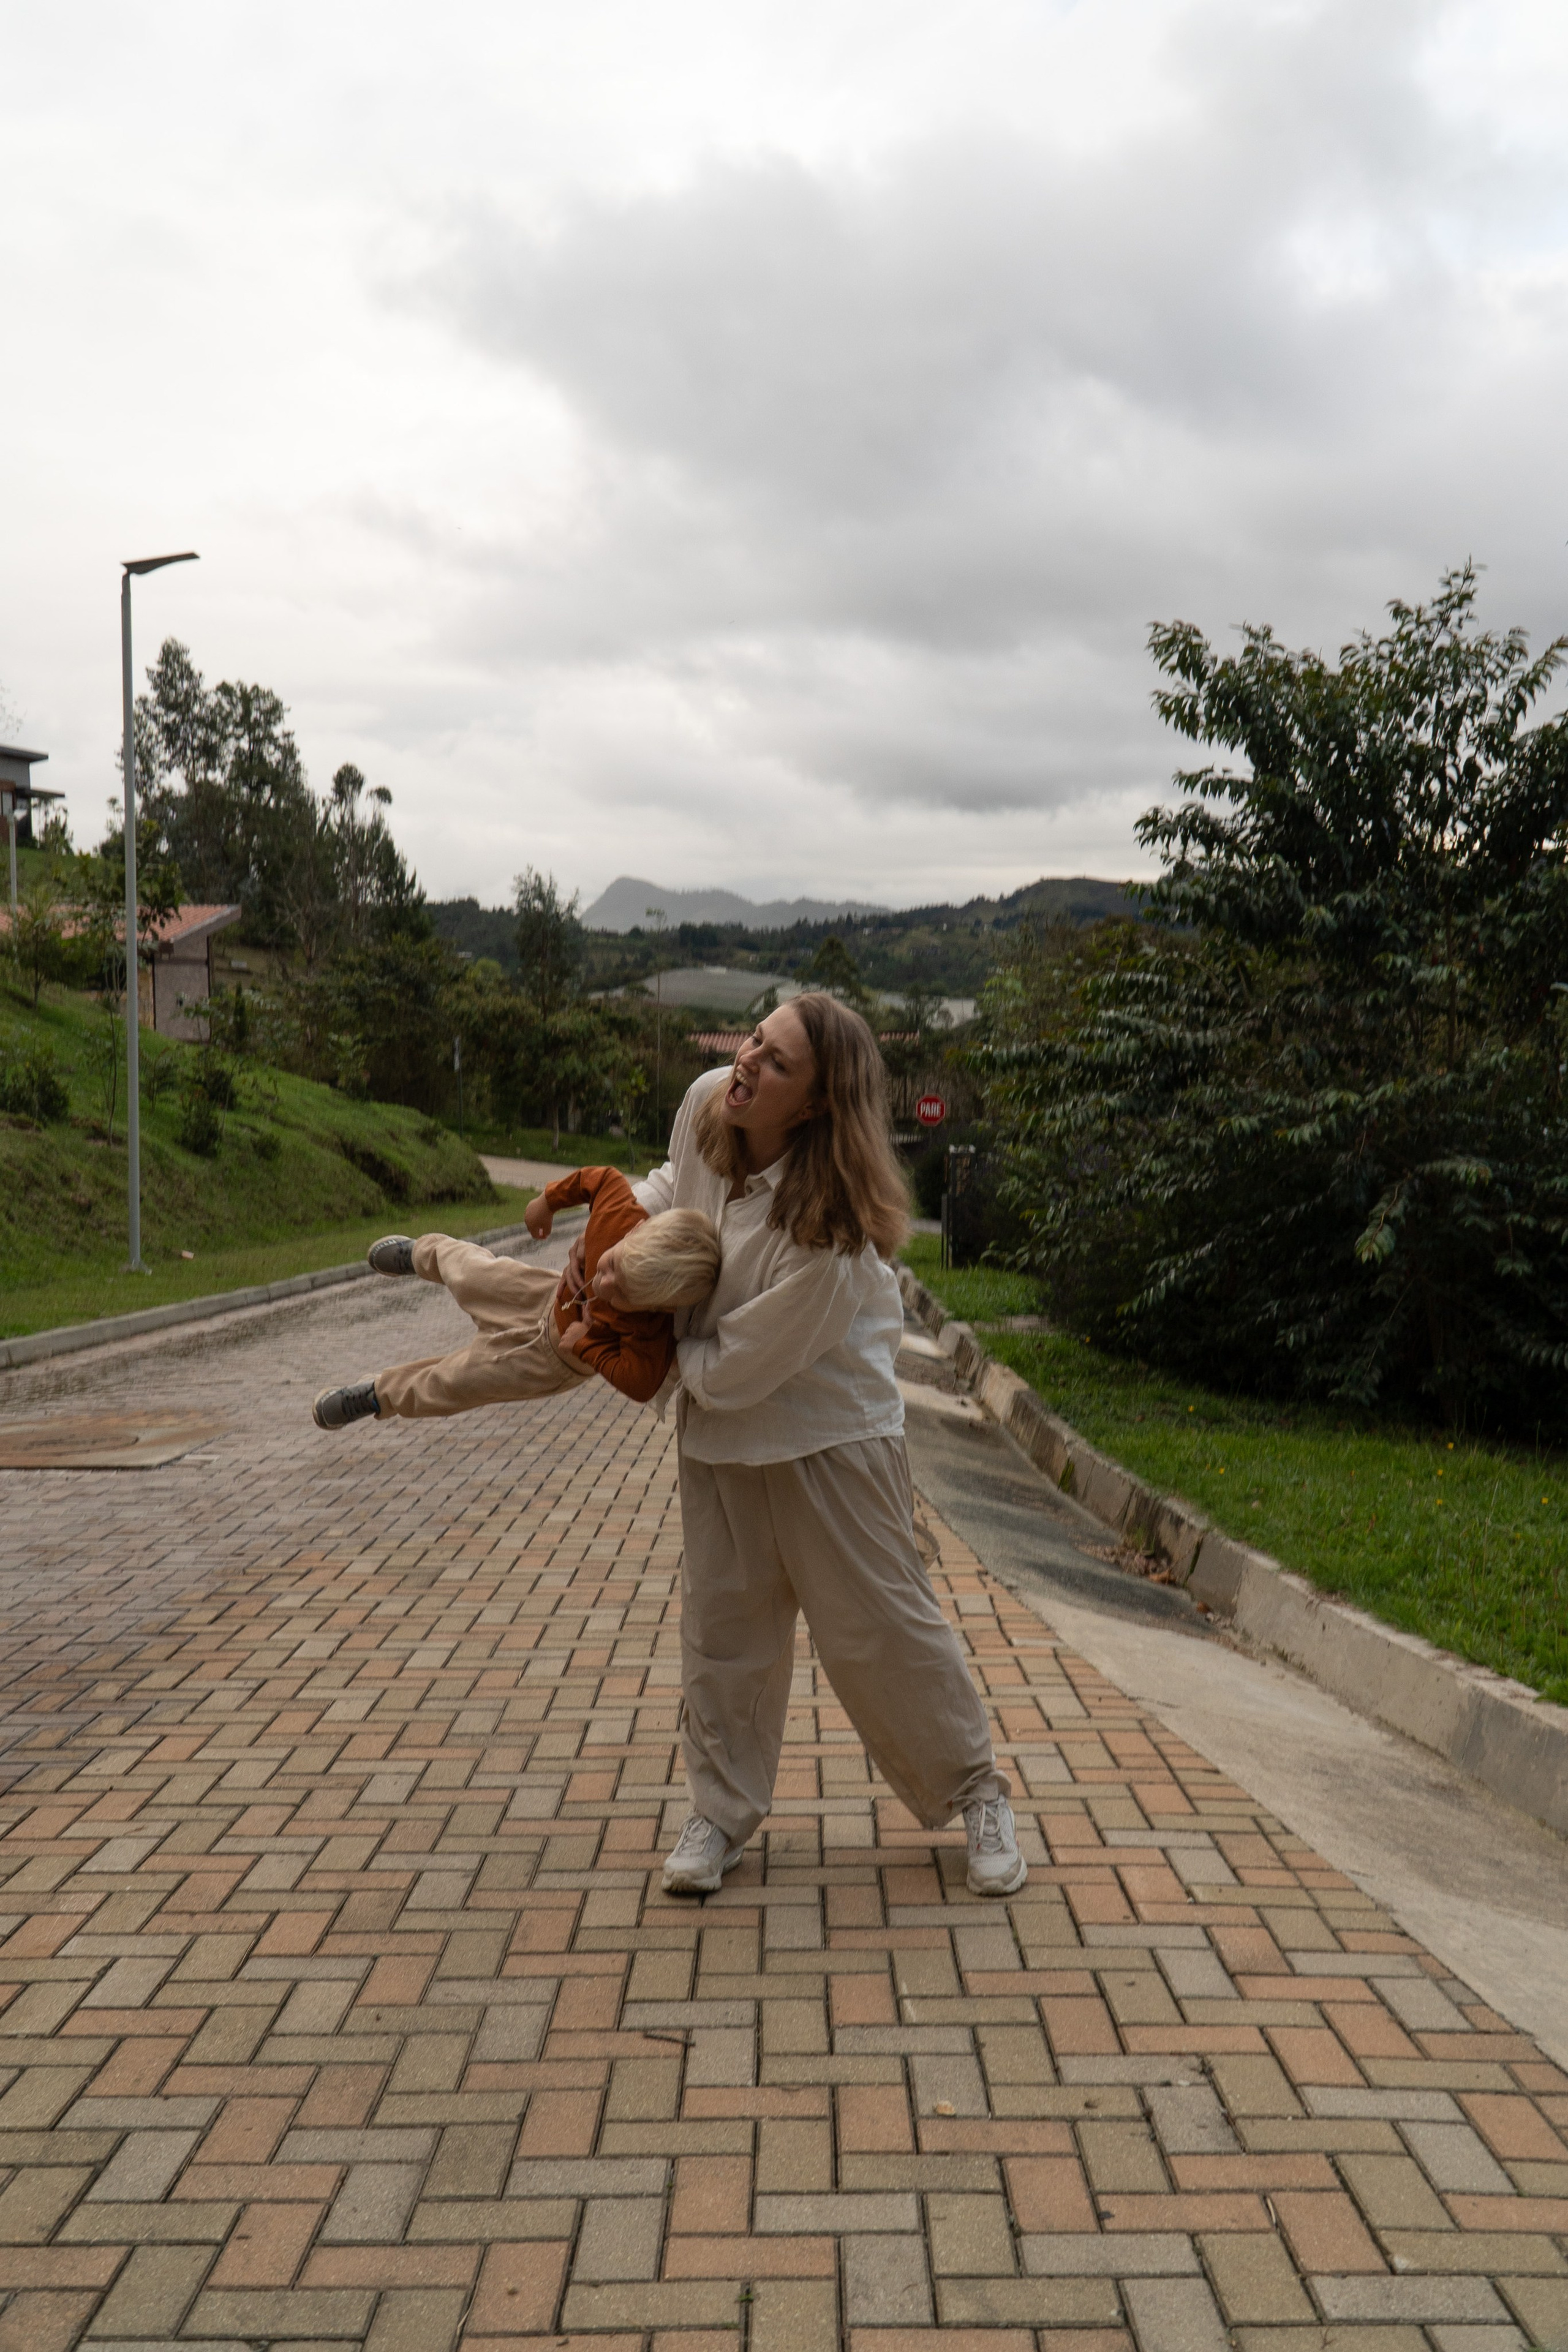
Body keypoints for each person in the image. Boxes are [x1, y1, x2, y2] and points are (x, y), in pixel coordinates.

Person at [575, 995, 1025, 1899]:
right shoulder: (711, 1102)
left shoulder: (836, 1234)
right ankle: (720, 1813)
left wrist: (645, 1351)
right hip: (722, 1446)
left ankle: (978, 1793)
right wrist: (616, 1241)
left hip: (831, 1441)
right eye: (752, 1040)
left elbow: (741, 1365)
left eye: (776, 1064)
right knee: (725, 1633)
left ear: (818, 1104)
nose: (747, 1064)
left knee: (883, 1635)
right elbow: (674, 1190)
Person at [311, 1164, 720, 1429]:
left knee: (454, 1384)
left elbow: (642, 1382)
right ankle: (421, 1254)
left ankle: (377, 1395)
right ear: (634, 1233)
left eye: (625, 1295)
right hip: (540, 1293)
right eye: (611, 1266)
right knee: (471, 1271)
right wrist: (545, 1203)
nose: (605, 1285)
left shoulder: (651, 1330)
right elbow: (600, 1179)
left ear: (660, 1308)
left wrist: (588, 1345)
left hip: (549, 1362)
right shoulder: (620, 1217)